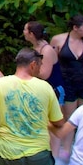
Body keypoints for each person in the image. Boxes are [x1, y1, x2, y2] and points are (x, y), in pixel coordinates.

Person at [24, 20, 65, 157]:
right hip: (40, 90)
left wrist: (25, 71)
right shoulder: (35, 48)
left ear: (31, 34)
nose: (23, 32)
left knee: (53, 123)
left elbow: (44, 74)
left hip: (53, 90)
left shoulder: (46, 50)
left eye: (25, 30)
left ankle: (54, 156)